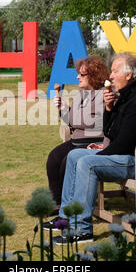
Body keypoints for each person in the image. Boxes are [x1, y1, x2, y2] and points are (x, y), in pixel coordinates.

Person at [48, 53, 136, 244]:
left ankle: (82, 230)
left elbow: (124, 142)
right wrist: (110, 108)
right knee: (74, 155)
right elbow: (110, 131)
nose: (110, 76)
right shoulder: (127, 94)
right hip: (130, 156)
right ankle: (66, 218)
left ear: (128, 75)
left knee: (87, 163)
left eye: (114, 71)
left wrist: (99, 154)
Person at [45, 55, 108, 218]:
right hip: (77, 140)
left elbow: (91, 122)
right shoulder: (82, 93)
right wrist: (64, 109)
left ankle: (71, 204)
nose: (77, 77)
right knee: (53, 158)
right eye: (78, 73)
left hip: (93, 142)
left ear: (94, 75)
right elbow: (72, 122)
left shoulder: (104, 95)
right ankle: (58, 202)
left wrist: (70, 114)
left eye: (82, 74)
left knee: (67, 163)